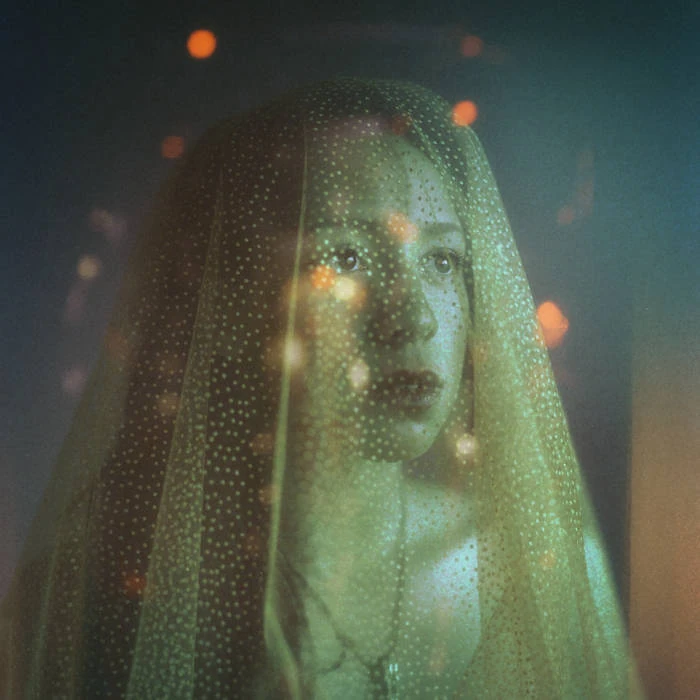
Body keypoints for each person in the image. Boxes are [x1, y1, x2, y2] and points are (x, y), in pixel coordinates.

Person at [0, 79, 637, 698]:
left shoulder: (536, 570)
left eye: (442, 260)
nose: (414, 317)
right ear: (228, 296)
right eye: (344, 257)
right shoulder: (101, 595)